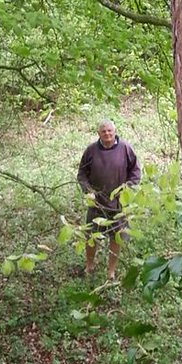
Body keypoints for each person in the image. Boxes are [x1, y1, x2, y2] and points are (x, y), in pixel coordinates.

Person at [76, 119, 141, 280]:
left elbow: (135, 172)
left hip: (119, 204)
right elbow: (82, 175)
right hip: (96, 203)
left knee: (116, 237)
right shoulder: (91, 151)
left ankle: (111, 271)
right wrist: (88, 192)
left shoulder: (125, 148)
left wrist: (127, 188)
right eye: (103, 131)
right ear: (98, 133)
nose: (107, 134)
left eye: (110, 131)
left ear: (115, 131)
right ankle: (89, 266)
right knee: (91, 236)